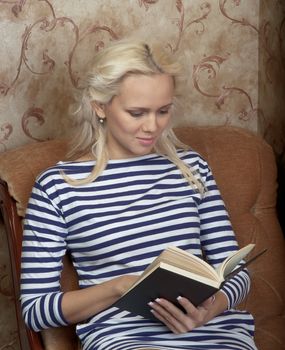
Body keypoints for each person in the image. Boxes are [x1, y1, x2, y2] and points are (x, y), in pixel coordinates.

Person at [20, 38, 257, 350]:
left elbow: (236, 271)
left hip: (215, 331)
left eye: (163, 111)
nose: (152, 126)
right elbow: (35, 310)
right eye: (136, 112)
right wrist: (121, 288)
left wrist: (210, 308)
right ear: (99, 106)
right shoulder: (57, 187)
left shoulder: (191, 168)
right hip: (123, 338)